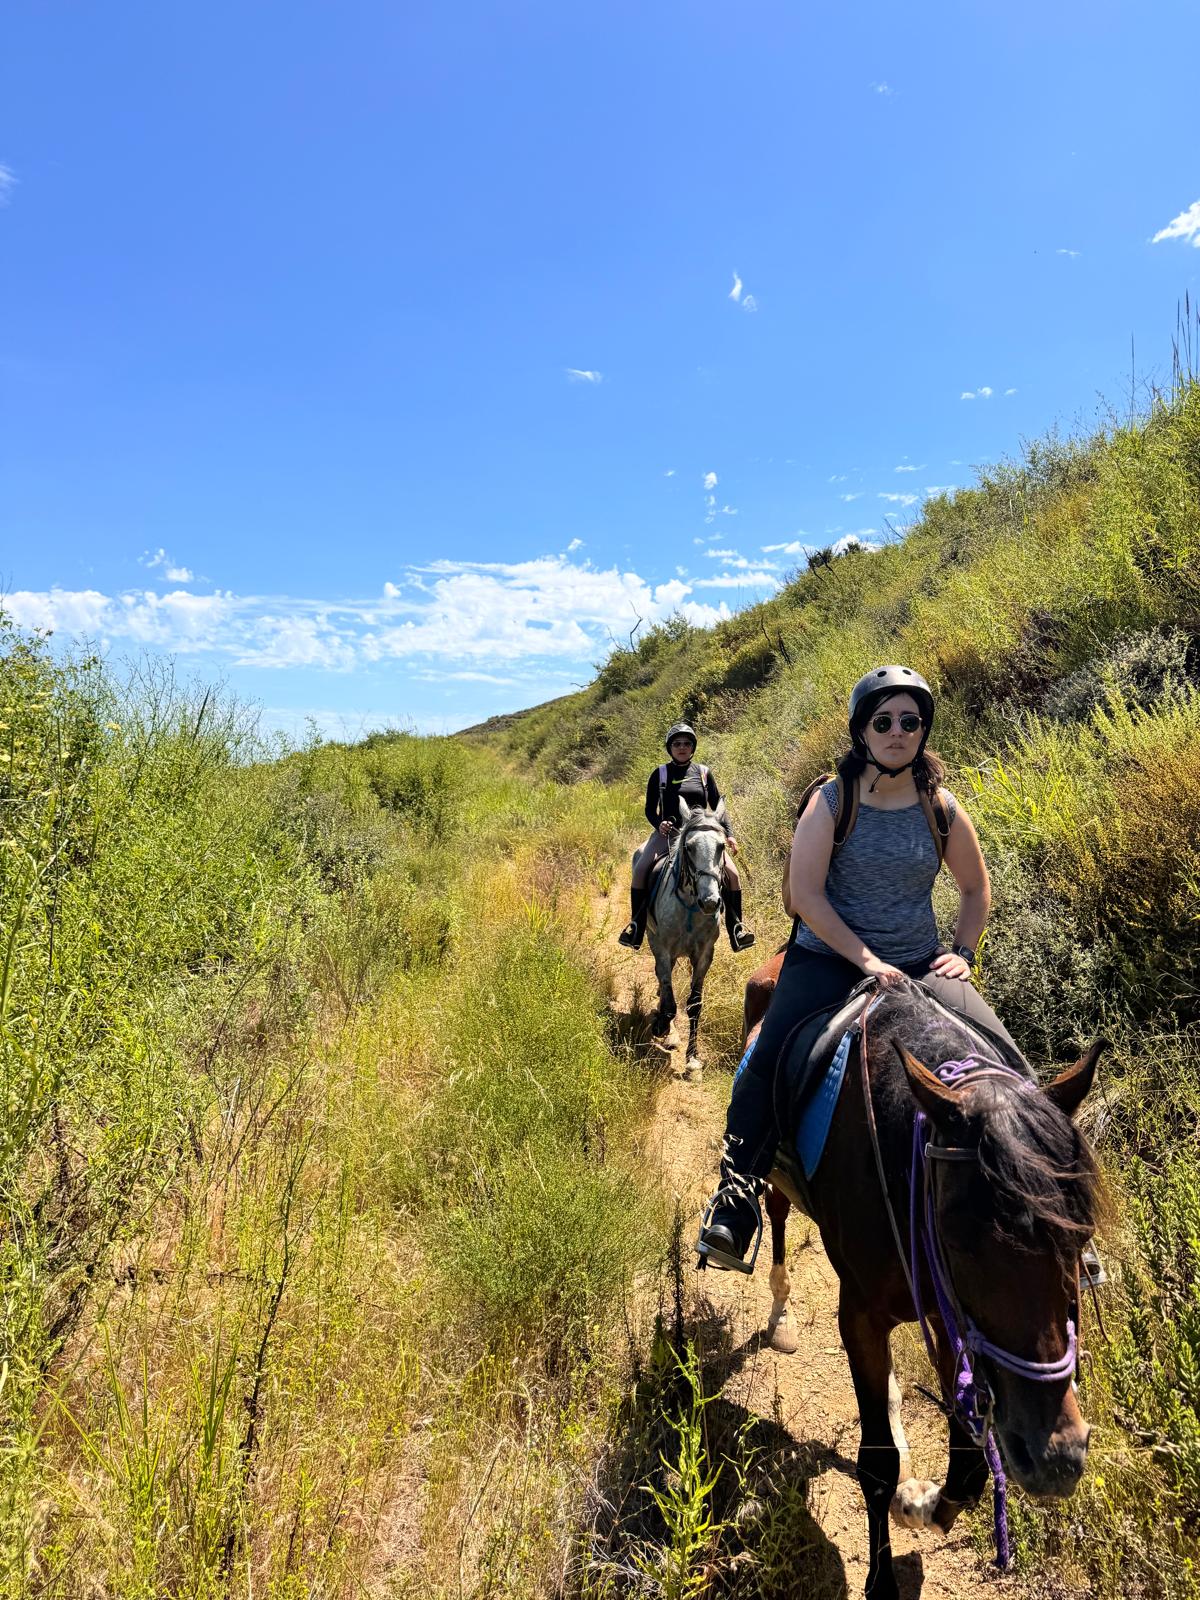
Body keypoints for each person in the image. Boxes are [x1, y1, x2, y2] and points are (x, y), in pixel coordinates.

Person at [696, 664, 1020, 1272]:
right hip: (828, 960)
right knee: (768, 1057)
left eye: (910, 722)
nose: (897, 732)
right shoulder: (832, 802)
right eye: (884, 721)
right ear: (861, 730)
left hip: (919, 964)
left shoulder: (940, 807)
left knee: (1008, 1060)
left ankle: (1046, 1206)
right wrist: (867, 958)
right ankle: (736, 1196)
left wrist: (963, 952)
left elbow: (976, 889)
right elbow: (806, 895)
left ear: (923, 730)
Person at [618, 720, 756, 953]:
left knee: (733, 875)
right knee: (641, 869)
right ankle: (636, 926)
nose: (682, 747)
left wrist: (729, 834)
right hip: (669, 835)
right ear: (670, 748)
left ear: (692, 747)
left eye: (686, 743)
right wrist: (659, 823)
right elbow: (650, 809)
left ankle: (737, 928)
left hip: (701, 837)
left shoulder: (703, 773)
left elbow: (718, 807)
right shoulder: (660, 774)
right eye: (677, 744)